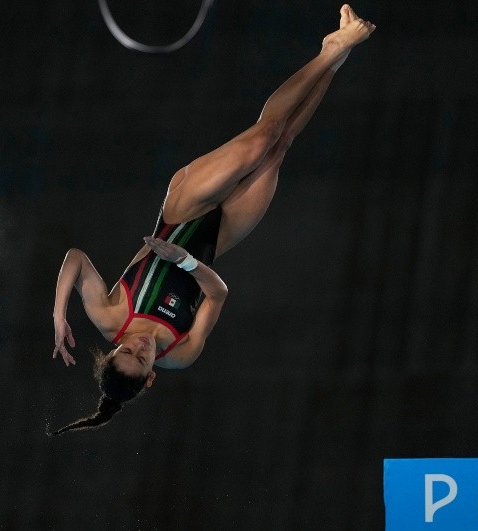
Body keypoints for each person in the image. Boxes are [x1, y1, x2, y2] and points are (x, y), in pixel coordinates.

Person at [49, 5, 376, 435]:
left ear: (110, 352)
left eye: (127, 351)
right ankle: (336, 57)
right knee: (280, 145)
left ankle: (332, 48)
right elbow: (218, 294)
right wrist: (183, 261)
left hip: (182, 209)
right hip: (218, 237)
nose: (142, 346)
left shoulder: (111, 317)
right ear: (152, 375)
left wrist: (58, 314)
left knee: (261, 137)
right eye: (144, 358)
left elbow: (74, 258)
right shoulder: (181, 353)